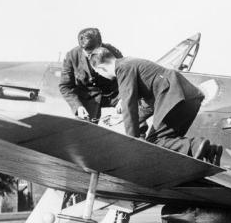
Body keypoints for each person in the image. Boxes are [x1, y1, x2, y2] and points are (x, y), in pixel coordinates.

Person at [89, 47, 222, 163]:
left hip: (174, 96)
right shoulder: (132, 63)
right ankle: (209, 151)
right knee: (167, 140)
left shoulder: (122, 68)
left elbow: (129, 104)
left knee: (154, 143)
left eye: (99, 73)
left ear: (100, 68)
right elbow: (148, 104)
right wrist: (125, 118)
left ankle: (195, 145)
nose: (102, 75)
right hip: (189, 98)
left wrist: (132, 142)